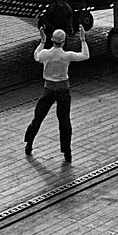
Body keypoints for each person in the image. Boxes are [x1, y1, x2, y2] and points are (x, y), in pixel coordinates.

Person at [24, 27, 89, 163]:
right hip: (63, 90)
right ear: (64, 41)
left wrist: (42, 41)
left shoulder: (45, 54)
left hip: (48, 89)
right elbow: (85, 55)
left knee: (38, 117)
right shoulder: (66, 56)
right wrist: (82, 39)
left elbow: (36, 54)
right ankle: (67, 152)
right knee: (64, 121)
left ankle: (29, 143)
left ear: (52, 40)